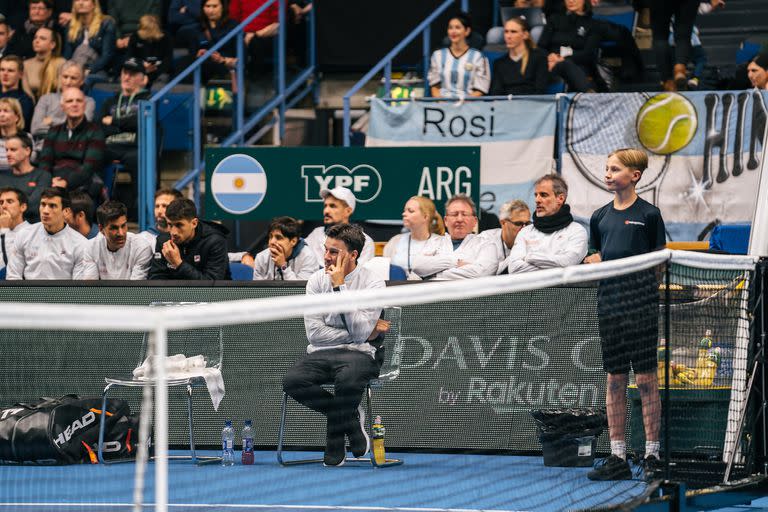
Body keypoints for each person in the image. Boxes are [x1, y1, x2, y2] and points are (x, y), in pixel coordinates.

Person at [584, 148, 666, 481]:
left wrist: (640, 290)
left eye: (614, 169)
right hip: (609, 308)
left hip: (641, 307)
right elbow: (596, 255)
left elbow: (659, 261)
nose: (607, 174)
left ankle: (651, 454)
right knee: (615, 380)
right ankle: (617, 456)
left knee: (646, 380)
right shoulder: (599, 216)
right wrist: (594, 261)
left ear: (634, 175)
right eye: (605, 168)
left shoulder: (649, 215)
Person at [282, 223, 390, 467]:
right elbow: (315, 335)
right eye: (326, 250)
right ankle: (350, 418)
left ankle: (334, 443)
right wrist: (358, 333)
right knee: (292, 382)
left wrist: (340, 288)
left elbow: (362, 336)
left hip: (362, 355)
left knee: (348, 379)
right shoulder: (316, 281)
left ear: (353, 255)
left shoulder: (373, 283)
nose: (327, 257)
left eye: (335, 252)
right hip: (323, 353)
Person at [504, 175, 588, 273]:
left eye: (543, 195)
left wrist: (530, 257)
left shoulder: (576, 231)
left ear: (560, 199)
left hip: (563, 289)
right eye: (536, 195)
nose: (537, 200)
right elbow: (515, 269)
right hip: (529, 288)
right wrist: (556, 266)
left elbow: (568, 263)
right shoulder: (525, 231)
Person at [6, 186, 89, 279]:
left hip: (63, 293)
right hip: (28, 293)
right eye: (43, 204)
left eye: (52, 206)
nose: (45, 211)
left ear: (66, 211)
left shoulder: (81, 244)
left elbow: (79, 287)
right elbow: (13, 277)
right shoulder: (24, 235)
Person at [100, 57, 150, 210]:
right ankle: (98, 206)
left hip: (134, 147)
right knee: (93, 154)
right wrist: (128, 123)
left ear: (143, 79)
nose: (127, 77)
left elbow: (141, 123)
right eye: (125, 73)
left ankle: (138, 210)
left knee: (139, 159)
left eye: (132, 74)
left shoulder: (148, 99)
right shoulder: (110, 101)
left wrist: (114, 121)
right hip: (110, 147)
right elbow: (101, 125)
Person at [37, 87, 105, 198]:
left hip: (81, 184)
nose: (75, 104)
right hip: (54, 181)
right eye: (69, 101)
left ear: (85, 105)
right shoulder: (54, 130)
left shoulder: (95, 131)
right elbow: (45, 161)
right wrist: (49, 180)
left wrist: (66, 183)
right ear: (62, 107)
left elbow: (89, 167)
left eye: (79, 101)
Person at [411, 194, 498, 280]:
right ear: (446, 221)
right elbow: (417, 266)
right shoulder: (433, 242)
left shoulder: (486, 245)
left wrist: (433, 275)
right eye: (454, 214)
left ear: (474, 221)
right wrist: (455, 262)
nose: (459, 219)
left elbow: (482, 274)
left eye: (464, 214)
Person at [148, 198, 231, 280]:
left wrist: (178, 263)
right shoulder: (163, 241)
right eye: (170, 225)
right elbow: (156, 279)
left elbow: (211, 285)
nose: (173, 232)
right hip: (174, 293)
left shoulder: (215, 241)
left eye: (179, 225)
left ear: (194, 223)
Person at [649, 0, 721, 91]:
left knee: (660, 38)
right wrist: (712, 3)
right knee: (697, 54)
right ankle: (682, 72)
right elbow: (702, 8)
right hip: (691, 40)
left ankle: (666, 80)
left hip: (670, 37)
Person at [30, 60, 96, 151]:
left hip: (73, 148)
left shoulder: (88, 102)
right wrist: (68, 127)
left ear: (81, 81)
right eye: (65, 77)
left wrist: (52, 120)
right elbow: (35, 129)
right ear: (60, 78)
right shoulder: (45, 99)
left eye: (73, 78)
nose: (68, 82)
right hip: (44, 148)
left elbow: (81, 129)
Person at [537, 0, 602, 92]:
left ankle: (588, 95)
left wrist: (563, 59)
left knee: (566, 64)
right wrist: (549, 57)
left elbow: (589, 54)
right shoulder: (554, 19)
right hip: (552, 64)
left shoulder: (593, 24)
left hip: (578, 66)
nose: (571, 1)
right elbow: (540, 47)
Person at [80, 200, 153, 279]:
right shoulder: (91, 248)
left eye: (123, 226)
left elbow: (135, 289)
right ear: (101, 229)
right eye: (114, 228)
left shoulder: (141, 248)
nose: (121, 233)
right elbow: (90, 286)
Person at [304, 186, 375, 266]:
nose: (326, 211)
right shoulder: (315, 234)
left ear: (348, 211)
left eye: (332, 206)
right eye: (325, 206)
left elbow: (358, 275)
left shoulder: (365, 241)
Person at [428, 12, 490, 98]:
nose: (453, 31)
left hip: (469, 107)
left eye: (457, 27)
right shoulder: (437, 56)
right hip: (443, 106)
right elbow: (434, 87)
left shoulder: (478, 57)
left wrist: (462, 104)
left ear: (467, 31)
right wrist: (443, 102)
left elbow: (480, 90)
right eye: (450, 28)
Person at [383, 196, 446, 279]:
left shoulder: (441, 242)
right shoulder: (395, 241)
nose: (404, 214)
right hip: (397, 289)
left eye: (410, 211)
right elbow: (384, 271)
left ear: (425, 217)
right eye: (404, 210)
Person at [62, 0, 116, 88]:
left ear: (94, 4)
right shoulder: (70, 25)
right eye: (77, 0)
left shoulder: (106, 23)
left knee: (84, 80)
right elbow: (67, 55)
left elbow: (107, 56)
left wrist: (89, 69)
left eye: (85, 0)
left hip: (97, 70)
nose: (81, 3)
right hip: (74, 68)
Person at [489, 17, 548, 96]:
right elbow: (495, 93)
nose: (508, 36)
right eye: (506, 32)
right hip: (506, 106)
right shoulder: (499, 63)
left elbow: (540, 91)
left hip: (532, 105)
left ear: (525, 35)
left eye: (513, 32)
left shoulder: (539, 57)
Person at [0, 133, 51, 221]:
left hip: (33, 228)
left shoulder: (43, 176)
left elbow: (34, 206)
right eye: (7, 150)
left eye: (13, 150)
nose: (8, 154)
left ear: (27, 151)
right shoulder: (2, 178)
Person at [251, 216, 319, 280]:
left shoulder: (308, 257)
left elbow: (302, 290)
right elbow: (258, 291)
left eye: (278, 238)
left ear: (293, 241)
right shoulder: (261, 258)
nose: (272, 242)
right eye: (271, 237)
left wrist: (283, 266)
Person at [478, 199, 531, 274]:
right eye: (519, 224)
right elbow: (480, 272)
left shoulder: (533, 241)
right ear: (503, 222)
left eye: (528, 223)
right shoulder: (485, 239)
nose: (524, 228)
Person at [228, 0, 277, 76]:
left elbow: (278, 24)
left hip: (266, 34)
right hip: (242, 33)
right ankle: (236, 76)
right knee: (235, 41)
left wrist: (255, 34)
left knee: (256, 42)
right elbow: (233, 18)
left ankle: (254, 77)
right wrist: (242, 34)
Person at [193, 0, 238, 82]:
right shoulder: (197, 28)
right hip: (204, 69)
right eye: (207, 6)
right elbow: (193, 54)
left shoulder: (233, 26)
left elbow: (242, 59)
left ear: (223, 8)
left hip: (225, 69)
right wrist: (198, 54)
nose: (210, 10)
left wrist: (223, 59)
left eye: (214, 6)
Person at [126, 14, 173, 86]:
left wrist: (156, 69)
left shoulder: (166, 37)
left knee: (163, 79)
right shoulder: (135, 37)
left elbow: (168, 59)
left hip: (159, 71)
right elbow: (130, 57)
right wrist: (142, 66)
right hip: (139, 70)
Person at [23, 26, 65, 99]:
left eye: (42, 38)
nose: (37, 41)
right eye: (35, 37)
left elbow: (61, 92)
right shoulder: (26, 64)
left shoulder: (61, 63)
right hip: (32, 106)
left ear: (52, 45)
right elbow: (27, 95)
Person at [0, 187, 32, 274]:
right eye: (1, 202)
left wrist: (4, 230)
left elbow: (11, 266)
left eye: (9, 201)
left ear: (23, 207)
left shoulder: (32, 233)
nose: (3, 206)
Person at [0, 56, 35, 128]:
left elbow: (20, 127)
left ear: (20, 75)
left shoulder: (25, 101)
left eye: (10, 71)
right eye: (2, 70)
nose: (5, 74)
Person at [0, 98, 33, 171]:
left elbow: (32, 160)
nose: (1, 114)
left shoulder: (26, 137)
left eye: (6, 111)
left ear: (16, 117)